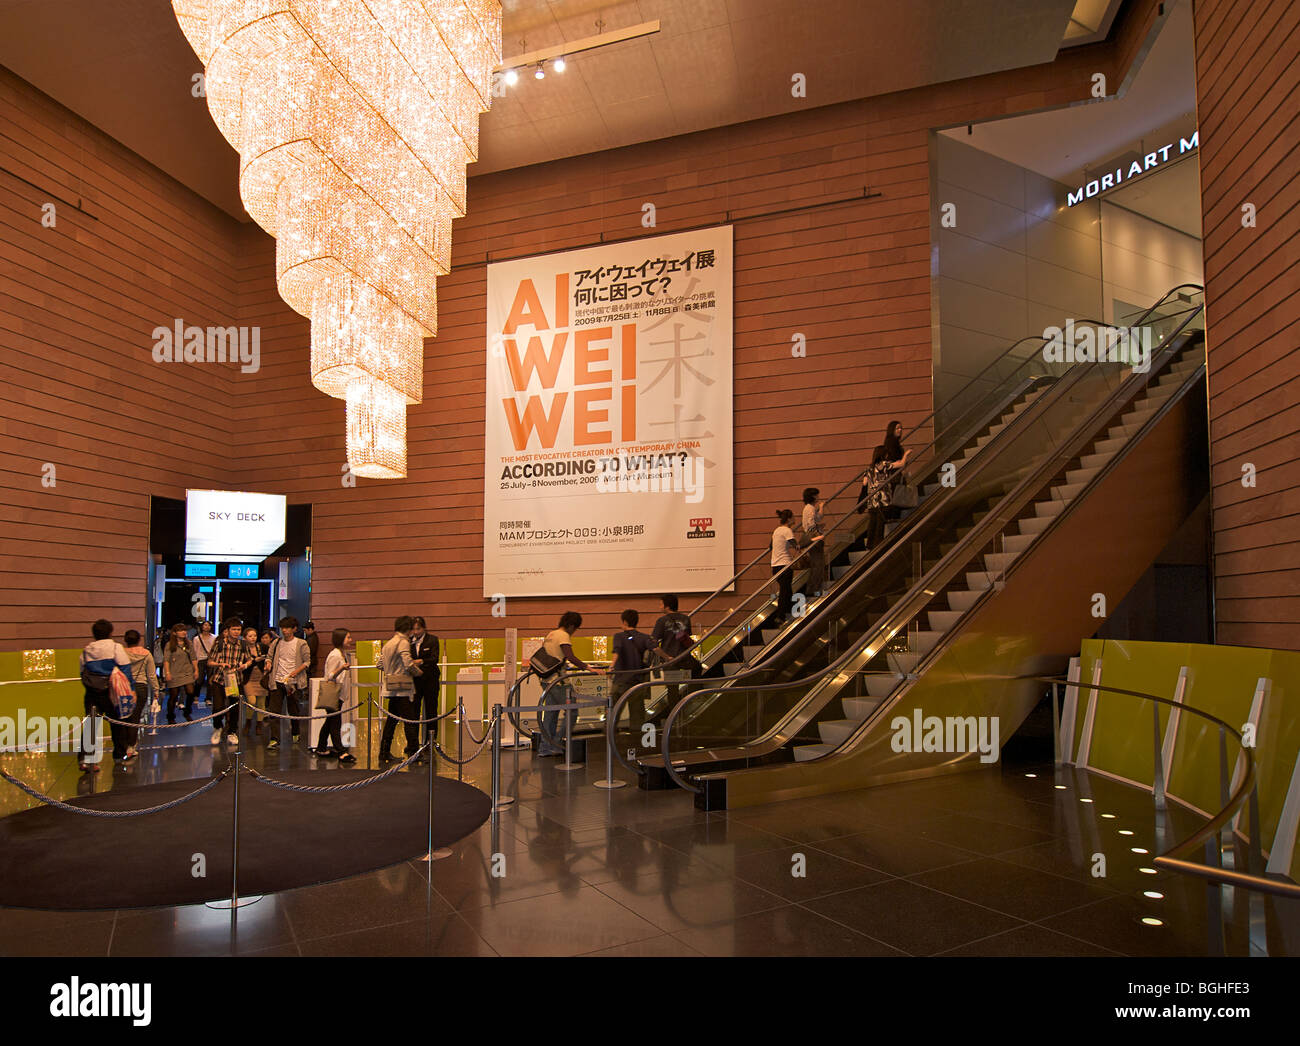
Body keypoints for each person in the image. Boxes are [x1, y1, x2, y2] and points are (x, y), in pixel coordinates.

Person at [79, 619, 133, 770]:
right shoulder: (115, 647)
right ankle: (119, 756)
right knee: (118, 724)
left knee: (91, 726)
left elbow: (82, 672)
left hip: (92, 693)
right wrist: (131, 689)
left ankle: (86, 760)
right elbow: (126, 669)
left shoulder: (87, 650)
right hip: (112, 692)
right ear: (110, 632)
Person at [538, 612, 590, 757]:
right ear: (572, 626)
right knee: (572, 712)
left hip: (546, 680)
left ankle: (545, 747)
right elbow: (570, 656)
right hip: (559, 682)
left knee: (550, 714)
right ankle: (557, 743)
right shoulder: (563, 636)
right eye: (576, 628)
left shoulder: (550, 634)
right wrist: (588, 667)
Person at [379, 615, 422, 763]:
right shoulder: (403, 642)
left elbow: (379, 664)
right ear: (408, 629)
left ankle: (384, 752)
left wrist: (391, 670)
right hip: (402, 688)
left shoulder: (389, 643)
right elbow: (408, 664)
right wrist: (418, 672)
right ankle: (414, 753)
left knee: (391, 721)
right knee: (410, 721)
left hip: (391, 687)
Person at [264, 616, 311, 750]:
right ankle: (274, 739)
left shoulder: (301, 643)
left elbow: (307, 661)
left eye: (287, 628)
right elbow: (269, 657)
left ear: (294, 629)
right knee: (274, 711)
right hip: (277, 680)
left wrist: (296, 672)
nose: (284, 631)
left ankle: (295, 732)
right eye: (283, 628)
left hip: (293, 682)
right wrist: (268, 663)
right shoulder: (276, 642)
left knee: (294, 710)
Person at [609, 609, 655, 740]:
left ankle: (610, 738)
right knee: (637, 713)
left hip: (621, 680)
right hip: (637, 681)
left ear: (624, 621)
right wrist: (668, 658)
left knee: (614, 711)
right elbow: (655, 649)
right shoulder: (644, 637)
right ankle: (636, 740)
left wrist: (611, 666)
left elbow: (617, 651)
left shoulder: (619, 636)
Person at [316, 628, 357, 763]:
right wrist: (342, 668)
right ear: (341, 639)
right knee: (335, 722)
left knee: (330, 721)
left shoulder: (341, 653)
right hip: (334, 694)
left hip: (338, 693)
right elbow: (330, 675)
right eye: (348, 637)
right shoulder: (335, 655)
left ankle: (321, 747)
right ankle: (341, 751)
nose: (350, 640)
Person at [208, 616, 249, 745]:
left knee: (235, 708)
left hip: (235, 680)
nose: (236, 632)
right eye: (234, 629)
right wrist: (220, 664)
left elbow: (249, 660)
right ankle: (218, 728)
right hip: (220, 679)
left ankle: (232, 732)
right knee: (218, 707)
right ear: (228, 630)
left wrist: (244, 665)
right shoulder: (219, 643)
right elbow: (210, 662)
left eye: (238, 629)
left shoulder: (243, 644)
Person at [122, 629, 157, 759]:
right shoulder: (146, 654)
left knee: (124, 717)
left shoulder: (121, 653)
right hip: (141, 687)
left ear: (125, 640)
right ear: (139, 640)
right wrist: (156, 690)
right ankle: (131, 746)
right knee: (135, 717)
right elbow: (152, 675)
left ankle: (123, 745)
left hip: (125, 688)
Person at [862, 445, 904, 550]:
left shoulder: (869, 469)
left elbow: (864, 483)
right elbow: (901, 464)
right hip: (883, 500)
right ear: (883, 454)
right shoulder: (884, 464)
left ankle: (869, 545)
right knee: (880, 522)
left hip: (872, 500)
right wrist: (906, 455)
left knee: (872, 522)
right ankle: (878, 544)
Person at [410, 616, 441, 749]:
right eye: (414, 629)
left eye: (418, 629)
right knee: (414, 712)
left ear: (424, 628)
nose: (416, 632)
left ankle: (431, 740)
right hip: (415, 681)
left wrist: (421, 661)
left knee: (431, 710)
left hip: (430, 680)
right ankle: (413, 742)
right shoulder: (409, 641)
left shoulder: (432, 640)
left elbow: (434, 658)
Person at [651, 594, 697, 675]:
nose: (660, 607)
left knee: (671, 682)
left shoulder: (662, 621)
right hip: (685, 658)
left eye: (661, 604)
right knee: (693, 674)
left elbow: (653, 643)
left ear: (667, 607)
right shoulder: (686, 619)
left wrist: (666, 657)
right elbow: (688, 637)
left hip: (669, 660)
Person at [162, 624, 199, 723]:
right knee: (173, 695)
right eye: (180, 630)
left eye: (184, 630)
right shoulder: (169, 644)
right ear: (174, 633)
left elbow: (193, 658)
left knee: (190, 692)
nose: (183, 632)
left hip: (187, 671)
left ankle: (187, 712)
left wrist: (196, 670)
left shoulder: (189, 643)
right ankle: (170, 716)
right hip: (174, 672)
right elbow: (166, 660)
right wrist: (167, 673)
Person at [240, 626, 269, 736]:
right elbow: (242, 664)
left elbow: (269, 657)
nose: (253, 638)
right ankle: (248, 723)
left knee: (261, 703)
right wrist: (254, 660)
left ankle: (259, 725)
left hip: (261, 677)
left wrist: (267, 664)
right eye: (250, 636)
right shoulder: (242, 648)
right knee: (251, 701)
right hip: (249, 678)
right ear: (244, 638)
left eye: (255, 636)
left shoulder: (262, 647)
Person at [771, 509, 798, 622]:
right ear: (789, 519)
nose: (795, 519)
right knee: (784, 591)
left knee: (787, 589)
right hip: (785, 564)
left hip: (775, 565)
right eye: (793, 517)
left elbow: (770, 546)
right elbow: (796, 545)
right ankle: (781, 615)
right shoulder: (787, 530)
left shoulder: (776, 531)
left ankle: (790, 611)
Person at [801, 487, 827, 598]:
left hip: (810, 538)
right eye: (816, 495)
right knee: (818, 564)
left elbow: (818, 518)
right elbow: (812, 524)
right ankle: (814, 589)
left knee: (816, 564)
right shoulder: (810, 508)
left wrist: (821, 507)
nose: (818, 497)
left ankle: (813, 589)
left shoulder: (808, 508)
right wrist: (818, 531)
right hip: (814, 539)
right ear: (812, 496)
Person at [192, 620, 216, 706]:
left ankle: (208, 698)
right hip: (200, 660)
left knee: (210, 680)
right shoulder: (196, 638)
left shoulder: (214, 637)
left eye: (208, 625)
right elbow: (194, 650)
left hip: (211, 660)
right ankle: (196, 696)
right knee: (199, 680)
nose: (207, 627)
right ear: (202, 627)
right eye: (205, 625)